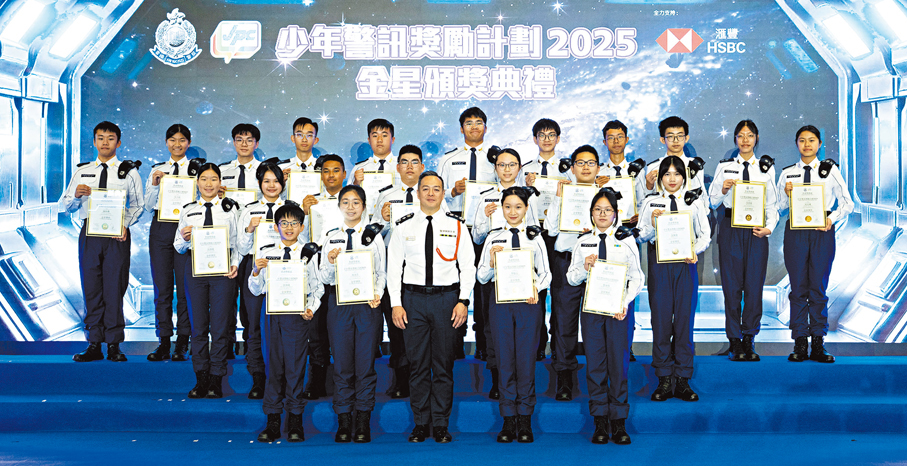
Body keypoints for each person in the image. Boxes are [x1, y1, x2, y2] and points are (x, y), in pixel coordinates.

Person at [388, 171, 476, 443]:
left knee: (442, 365)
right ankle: (420, 423)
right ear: (417, 193)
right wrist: (396, 304)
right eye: (425, 188)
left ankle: (440, 424)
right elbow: (394, 269)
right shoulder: (403, 226)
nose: (430, 193)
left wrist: (463, 301)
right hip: (412, 301)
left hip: (446, 301)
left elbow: (468, 267)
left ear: (442, 193)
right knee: (416, 365)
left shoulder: (457, 226)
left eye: (436, 189)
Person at [60, 121, 144, 363]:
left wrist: (124, 224)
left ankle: (114, 344)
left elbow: (138, 205)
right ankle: (94, 343)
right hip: (90, 234)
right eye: (100, 138)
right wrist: (76, 196)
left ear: (119, 142)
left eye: (110, 138)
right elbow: (65, 205)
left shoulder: (129, 172)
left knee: (115, 288)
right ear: (94, 141)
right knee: (92, 286)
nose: (105, 142)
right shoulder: (82, 171)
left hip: (117, 235)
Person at [567, 188, 643, 445]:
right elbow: (571, 278)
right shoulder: (582, 242)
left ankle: (619, 422)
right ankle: (599, 420)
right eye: (598, 210)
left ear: (615, 213)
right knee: (596, 365)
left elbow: (638, 277)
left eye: (607, 210)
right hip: (592, 310)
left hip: (619, 311)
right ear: (591, 213)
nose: (602, 214)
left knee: (618, 365)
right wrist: (584, 267)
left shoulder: (626, 240)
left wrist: (625, 302)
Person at [477, 186, 551, 444]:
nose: (512, 212)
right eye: (507, 206)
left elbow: (546, 273)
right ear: (502, 208)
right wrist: (491, 263)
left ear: (526, 209)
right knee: (505, 360)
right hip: (501, 304)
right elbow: (481, 276)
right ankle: (508, 419)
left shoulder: (535, 237)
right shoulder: (493, 237)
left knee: (525, 362)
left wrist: (535, 287)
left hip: (528, 305)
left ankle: (525, 419)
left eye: (518, 207)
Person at [777, 125, 853, 363]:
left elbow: (847, 203)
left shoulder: (830, 171)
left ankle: (818, 342)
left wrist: (831, 218)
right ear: (796, 144)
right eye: (802, 140)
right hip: (795, 233)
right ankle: (800, 342)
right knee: (798, 287)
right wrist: (786, 194)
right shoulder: (787, 173)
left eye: (811, 140)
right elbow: (779, 207)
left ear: (819, 144)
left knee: (818, 288)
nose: (807, 144)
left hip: (822, 232)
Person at [637, 156, 711, 402]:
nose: (672, 179)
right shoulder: (650, 202)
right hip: (660, 266)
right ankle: (663, 378)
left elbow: (705, 235)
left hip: (685, 266)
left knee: (683, 322)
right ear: (660, 177)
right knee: (660, 321)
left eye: (677, 174)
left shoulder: (694, 201)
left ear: (684, 177)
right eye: (667, 174)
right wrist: (653, 224)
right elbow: (641, 236)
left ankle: (683, 379)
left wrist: (694, 251)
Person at [250, 204, 323, 443]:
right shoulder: (266, 251)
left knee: (295, 367)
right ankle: (272, 421)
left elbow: (317, 288)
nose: (289, 228)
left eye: (294, 223)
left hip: (297, 316)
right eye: (284, 223)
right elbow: (256, 289)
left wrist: (311, 307)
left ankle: (295, 421)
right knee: (273, 366)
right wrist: (255, 272)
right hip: (272, 315)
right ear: (276, 227)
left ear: (301, 227)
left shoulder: (309, 253)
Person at [320, 185, 387, 443]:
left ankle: (363, 421)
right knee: (342, 365)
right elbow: (325, 277)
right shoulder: (331, 237)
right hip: (339, 305)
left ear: (364, 206)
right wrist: (330, 261)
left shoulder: (374, 236)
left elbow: (381, 272)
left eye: (356, 202)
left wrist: (377, 293)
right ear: (339, 206)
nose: (351, 207)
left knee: (365, 365)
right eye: (346, 202)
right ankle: (344, 420)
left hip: (367, 306)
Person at [471, 148, 540, 400]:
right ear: (495, 168)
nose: (507, 169)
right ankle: (497, 379)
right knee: (493, 328)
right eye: (502, 165)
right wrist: (485, 218)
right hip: (495, 272)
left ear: (519, 168)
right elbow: (477, 236)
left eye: (512, 165)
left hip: (523, 276)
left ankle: (522, 381)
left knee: (524, 329)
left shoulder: (528, 196)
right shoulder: (485, 197)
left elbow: (534, 232)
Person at [708, 120, 779, 361]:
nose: (745, 140)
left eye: (750, 135)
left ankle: (749, 338)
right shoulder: (725, 167)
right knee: (731, 287)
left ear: (756, 138)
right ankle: (734, 340)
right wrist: (723, 190)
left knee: (754, 286)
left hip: (756, 231)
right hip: (731, 228)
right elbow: (712, 202)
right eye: (740, 135)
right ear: (735, 139)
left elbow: (772, 204)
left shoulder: (766, 168)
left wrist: (769, 228)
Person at [544, 145, 607, 401]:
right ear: (572, 167)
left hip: (598, 263)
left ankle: (599, 380)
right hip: (566, 261)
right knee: (564, 321)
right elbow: (550, 230)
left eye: (591, 163)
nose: (585, 167)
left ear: (598, 167)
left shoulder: (606, 197)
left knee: (597, 323)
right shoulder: (564, 192)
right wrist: (560, 198)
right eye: (580, 163)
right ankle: (564, 377)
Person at [370, 145, 433, 399]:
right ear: (397, 167)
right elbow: (372, 236)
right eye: (404, 162)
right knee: (396, 324)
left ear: (422, 166)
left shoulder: (430, 193)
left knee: (420, 325)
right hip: (393, 267)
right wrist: (384, 220)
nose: (409, 167)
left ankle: (422, 376)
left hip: (422, 268)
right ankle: (401, 377)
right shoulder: (385, 196)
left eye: (414, 162)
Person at [174, 163, 241, 398]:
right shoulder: (188, 210)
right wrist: (184, 238)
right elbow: (178, 246)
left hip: (223, 272)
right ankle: (200, 378)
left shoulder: (231, 210)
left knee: (220, 327)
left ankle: (216, 379)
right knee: (198, 326)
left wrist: (235, 264)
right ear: (197, 182)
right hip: (195, 271)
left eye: (213, 179)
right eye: (204, 179)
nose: (209, 184)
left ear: (220, 182)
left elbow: (238, 243)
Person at [437, 107, 496, 359]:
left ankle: (484, 343)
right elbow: (435, 195)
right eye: (469, 123)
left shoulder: (496, 158)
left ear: (486, 127)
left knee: (484, 287)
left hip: (484, 230)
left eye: (479, 122)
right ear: (461, 128)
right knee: (454, 285)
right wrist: (452, 191)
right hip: (455, 229)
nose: (474, 127)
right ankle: (454, 343)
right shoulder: (448, 159)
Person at [235, 163, 288, 398]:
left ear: (282, 184)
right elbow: (241, 247)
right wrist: (249, 229)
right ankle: (258, 377)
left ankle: (281, 377)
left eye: (275, 181)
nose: (271, 185)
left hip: (284, 268)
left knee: (282, 325)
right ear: (259, 184)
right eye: (266, 181)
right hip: (255, 268)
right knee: (254, 324)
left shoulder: (290, 210)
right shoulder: (249, 210)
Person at [521, 118, 571, 362]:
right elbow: (515, 200)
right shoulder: (524, 169)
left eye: (551, 135)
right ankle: (538, 343)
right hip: (533, 233)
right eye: (542, 135)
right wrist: (525, 186)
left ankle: (558, 343)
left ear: (558, 139)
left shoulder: (567, 169)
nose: (547, 139)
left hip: (559, 233)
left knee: (560, 291)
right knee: (535, 288)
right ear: (535, 139)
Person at [300, 154, 348, 400]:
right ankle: (317, 380)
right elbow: (300, 239)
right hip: (316, 268)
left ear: (344, 174)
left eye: (336, 170)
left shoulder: (353, 200)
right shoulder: (311, 202)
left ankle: (344, 381)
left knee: (342, 327)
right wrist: (304, 212)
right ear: (320, 175)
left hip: (346, 269)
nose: (331, 175)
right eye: (326, 171)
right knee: (316, 327)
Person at [144, 124, 193, 362]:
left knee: (185, 289)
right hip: (161, 227)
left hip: (185, 229)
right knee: (162, 289)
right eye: (172, 140)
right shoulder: (157, 170)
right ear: (166, 142)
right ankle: (163, 340)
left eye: (182, 140)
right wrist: (155, 184)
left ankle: (183, 341)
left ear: (188, 143)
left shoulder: (196, 170)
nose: (177, 144)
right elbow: (147, 205)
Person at [599, 119, 647, 362]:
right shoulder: (598, 172)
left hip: (627, 235)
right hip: (603, 237)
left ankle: (626, 345)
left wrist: (640, 216)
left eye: (620, 137)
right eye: (611, 137)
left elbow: (644, 200)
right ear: (604, 141)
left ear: (627, 140)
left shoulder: (637, 172)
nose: (616, 141)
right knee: (604, 286)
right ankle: (604, 346)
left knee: (629, 289)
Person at [220, 123, 263, 359]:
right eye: (239, 139)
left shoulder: (265, 172)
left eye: (249, 140)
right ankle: (226, 344)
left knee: (250, 302)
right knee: (225, 299)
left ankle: (250, 345)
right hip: (226, 242)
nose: (244, 144)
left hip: (252, 244)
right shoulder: (222, 171)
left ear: (256, 143)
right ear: (233, 142)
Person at [643, 117, 706, 207]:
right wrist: (649, 187)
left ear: (686, 138)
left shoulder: (695, 165)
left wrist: (704, 212)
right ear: (662, 140)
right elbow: (647, 199)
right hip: (662, 213)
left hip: (689, 213)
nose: (675, 140)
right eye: (670, 136)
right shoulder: (654, 167)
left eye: (680, 136)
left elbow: (702, 195)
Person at [349, 118, 397, 186]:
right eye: (375, 136)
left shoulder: (404, 166)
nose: (379, 140)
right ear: (369, 140)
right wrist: (356, 184)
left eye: (384, 135)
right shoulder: (359, 168)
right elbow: (348, 192)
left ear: (393, 140)